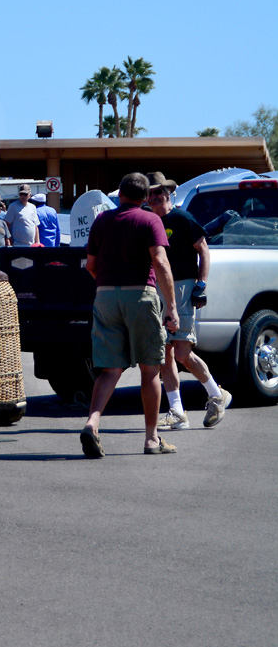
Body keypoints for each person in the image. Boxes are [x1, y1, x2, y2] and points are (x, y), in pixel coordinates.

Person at [80, 171, 180, 458]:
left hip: (105, 295)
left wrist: (107, 285)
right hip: (140, 294)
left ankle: (92, 423)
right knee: (150, 370)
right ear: (146, 197)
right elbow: (160, 262)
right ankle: (151, 439)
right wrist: (171, 307)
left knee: (110, 370)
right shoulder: (151, 220)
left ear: (120, 194)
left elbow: (90, 264)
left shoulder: (102, 220)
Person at [145, 171, 231, 429]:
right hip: (158, 289)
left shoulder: (182, 218)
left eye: (158, 192)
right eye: (150, 194)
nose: (154, 197)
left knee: (182, 352)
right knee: (164, 354)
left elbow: (203, 249)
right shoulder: (150, 223)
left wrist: (201, 285)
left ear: (168, 194)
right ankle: (177, 412)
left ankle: (217, 395)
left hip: (182, 288)